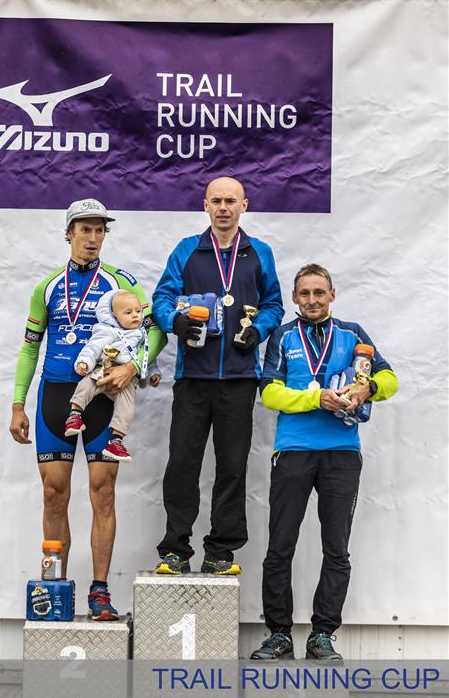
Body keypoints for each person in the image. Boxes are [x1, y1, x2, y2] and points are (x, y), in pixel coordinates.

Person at [9, 198, 166, 620]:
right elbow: (29, 349)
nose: (93, 238)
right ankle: (55, 589)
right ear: (69, 234)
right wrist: (18, 403)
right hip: (56, 395)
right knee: (53, 493)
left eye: (100, 230)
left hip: (103, 396)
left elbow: (156, 334)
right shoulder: (46, 287)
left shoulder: (120, 282)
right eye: (85, 230)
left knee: (103, 493)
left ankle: (100, 591)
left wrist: (132, 367)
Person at [250, 263, 398, 661]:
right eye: (305, 293)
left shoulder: (353, 333)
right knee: (280, 546)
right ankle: (279, 635)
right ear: (294, 298)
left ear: (332, 294)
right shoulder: (283, 336)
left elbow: (390, 380)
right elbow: (270, 393)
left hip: (342, 453)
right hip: (293, 450)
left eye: (319, 292)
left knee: (337, 549)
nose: (312, 300)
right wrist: (316, 398)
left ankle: (322, 635)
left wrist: (367, 388)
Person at [152, 176, 284, 576]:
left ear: (244, 205)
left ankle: (221, 551)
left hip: (240, 379)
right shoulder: (187, 250)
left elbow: (274, 304)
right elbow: (161, 298)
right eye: (216, 201)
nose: (223, 207)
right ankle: (175, 549)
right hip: (193, 375)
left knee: (232, 466)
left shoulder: (259, 252)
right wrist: (174, 322)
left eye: (230, 201)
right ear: (205, 205)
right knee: (182, 464)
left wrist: (258, 329)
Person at [65, 290, 161, 463]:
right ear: (114, 316)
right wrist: (84, 362)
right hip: (105, 368)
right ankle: (75, 415)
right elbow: (93, 347)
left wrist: (153, 373)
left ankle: (116, 441)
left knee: (127, 406)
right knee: (87, 384)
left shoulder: (143, 335)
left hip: (127, 379)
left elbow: (147, 356)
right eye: (128, 312)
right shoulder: (108, 331)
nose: (135, 315)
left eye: (138, 311)